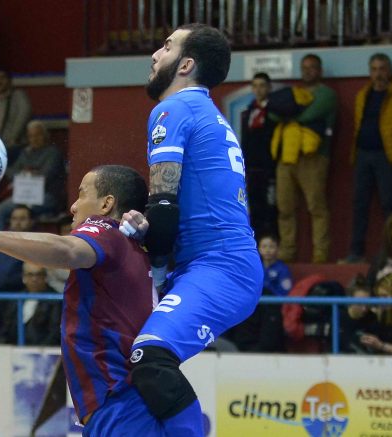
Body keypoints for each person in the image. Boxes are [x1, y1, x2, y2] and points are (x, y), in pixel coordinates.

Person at [0, 165, 163, 436]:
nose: (73, 206)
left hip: (120, 402)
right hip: (141, 396)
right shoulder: (136, 247)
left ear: (106, 204)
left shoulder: (105, 231)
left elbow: (66, 250)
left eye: (82, 194)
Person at [120, 23, 263, 434]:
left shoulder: (174, 109)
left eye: (166, 47)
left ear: (185, 65)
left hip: (220, 266)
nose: (154, 55)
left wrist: (154, 266)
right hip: (215, 264)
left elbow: (164, 208)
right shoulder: (208, 114)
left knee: (150, 356)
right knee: (133, 360)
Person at [270, 54, 336, 263]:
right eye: (304, 67)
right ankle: (287, 253)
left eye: (312, 67)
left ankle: (320, 254)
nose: (308, 71)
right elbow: (272, 113)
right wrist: (286, 111)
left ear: (320, 70)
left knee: (316, 207)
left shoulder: (326, 94)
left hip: (313, 157)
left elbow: (310, 115)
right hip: (287, 157)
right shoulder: (294, 92)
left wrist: (288, 113)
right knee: (284, 207)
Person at [345, 53, 392, 262]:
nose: (378, 74)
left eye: (382, 69)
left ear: (389, 71)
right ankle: (356, 252)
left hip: (387, 156)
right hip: (363, 154)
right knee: (359, 204)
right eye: (374, 69)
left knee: (389, 204)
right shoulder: (363, 94)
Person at [0, 120, 66, 228]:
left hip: (46, 196)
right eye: (31, 136)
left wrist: (31, 174)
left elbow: (46, 176)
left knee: (21, 213)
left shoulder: (53, 153)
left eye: (38, 135)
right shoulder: (26, 153)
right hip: (23, 196)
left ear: (45, 135)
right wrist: (23, 173)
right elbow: (10, 172)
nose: (34, 139)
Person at [239, 72, 277, 236]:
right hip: (252, 168)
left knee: (272, 207)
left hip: (270, 168)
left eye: (262, 85)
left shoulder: (276, 110)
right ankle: (258, 243)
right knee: (254, 208)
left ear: (269, 87)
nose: (258, 89)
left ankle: (273, 243)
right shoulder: (248, 112)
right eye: (255, 86)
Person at [0, 261, 61, 345]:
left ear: (45, 277)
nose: (34, 279)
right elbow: (5, 328)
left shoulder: (55, 300)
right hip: (13, 347)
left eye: (39, 274)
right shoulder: (16, 299)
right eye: (30, 274)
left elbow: (54, 332)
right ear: (24, 277)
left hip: (42, 349)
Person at [0, 69, 32, 159]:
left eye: (2, 78)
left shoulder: (19, 96)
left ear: (10, 80)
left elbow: (23, 116)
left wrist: (13, 138)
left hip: (16, 145)